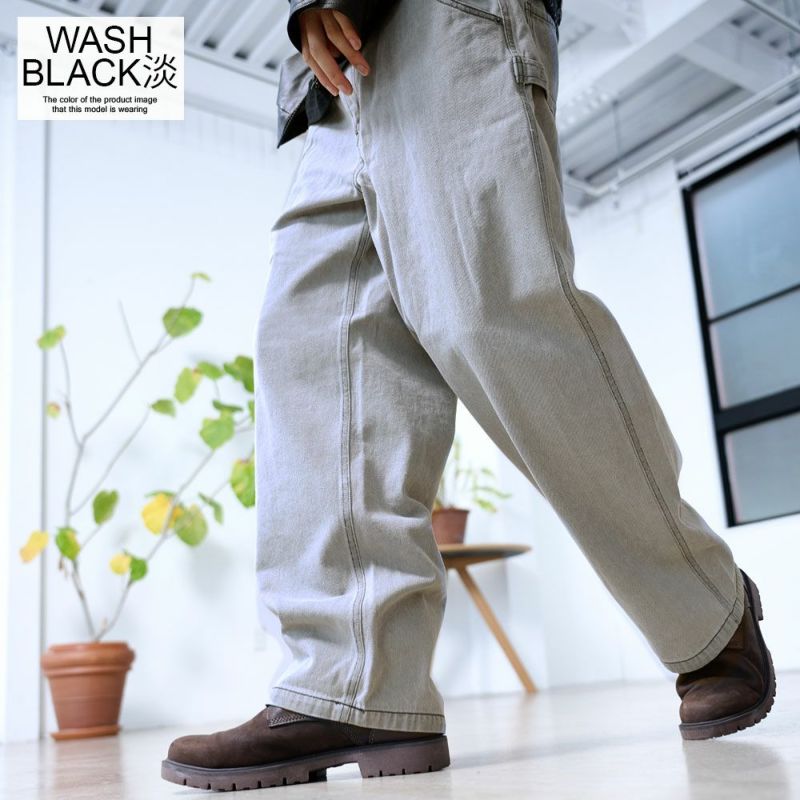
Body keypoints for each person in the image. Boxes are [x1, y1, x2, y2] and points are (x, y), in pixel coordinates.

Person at [161, 0, 776, 791]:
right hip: (335, 85)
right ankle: (352, 683)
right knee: (314, 348)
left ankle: (707, 611)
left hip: (450, 19)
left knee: (489, 317)